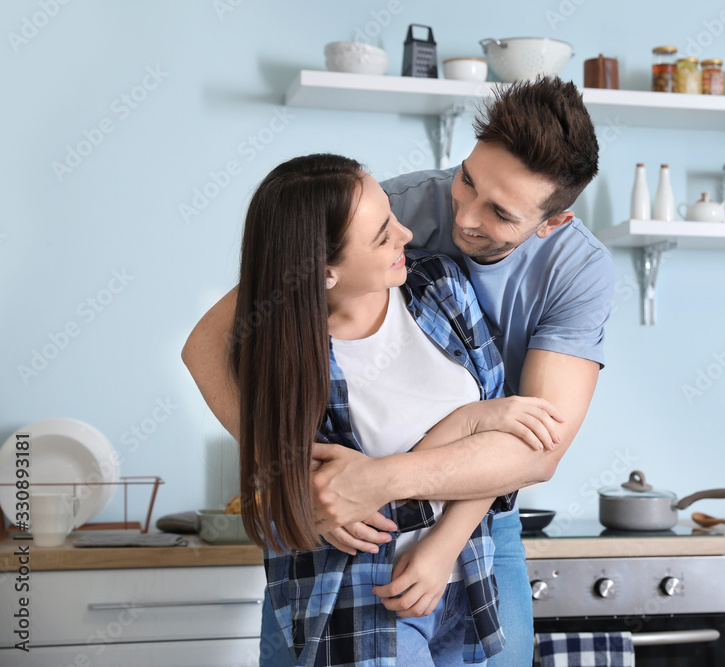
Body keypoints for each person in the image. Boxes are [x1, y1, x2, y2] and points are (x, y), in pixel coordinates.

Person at [181, 77, 615, 666]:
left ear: (550, 223)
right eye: (466, 180)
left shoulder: (574, 273)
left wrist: (400, 503)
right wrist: (296, 477)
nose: (462, 216)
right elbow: (213, 341)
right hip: (338, 544)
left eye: (499, 213)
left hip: (478, 516)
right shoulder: (397, 206)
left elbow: (535, 451)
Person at [225, 152, 567, 665]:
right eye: (383, 234)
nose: (407, 235)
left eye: (393, 216)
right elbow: (358, 501)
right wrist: (468, 424)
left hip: (469, 572)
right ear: (324, 274)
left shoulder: (441, 286)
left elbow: (508, 439)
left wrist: (442, 546)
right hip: (363, 598)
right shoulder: (290, 362)